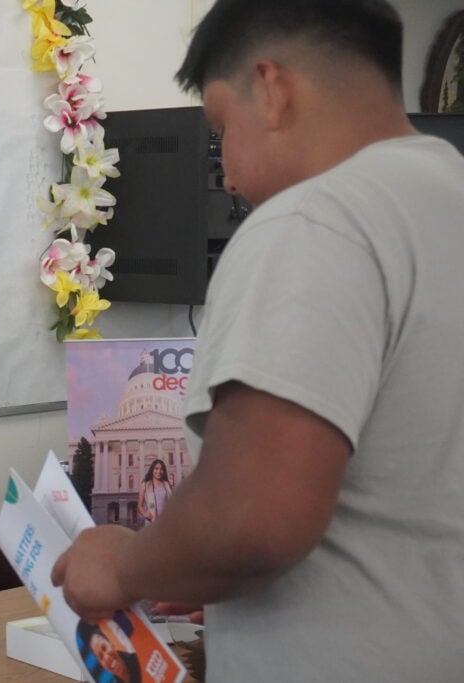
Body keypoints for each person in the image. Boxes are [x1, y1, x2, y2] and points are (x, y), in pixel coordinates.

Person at [51, 1, 464, 680]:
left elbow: (251, 519)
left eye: (221, 130)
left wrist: (122, 564)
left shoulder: (313, 220)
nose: (231, 176)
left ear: (272, 90)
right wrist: (189, 561)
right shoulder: (446, 194)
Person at [75, 614, 142, 683]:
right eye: (101, 657)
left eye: (104, 648)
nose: (107, 658)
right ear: (101, 664)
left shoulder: (139, 659)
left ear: (111, 643)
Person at [135, 459, 172, 525]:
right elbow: (139, 506)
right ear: (152, 470)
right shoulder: (145, 485)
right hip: (151, 522)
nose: (159, 471)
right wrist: (145, 514)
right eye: (156, 468)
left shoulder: (167, 484)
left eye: (161, 469)